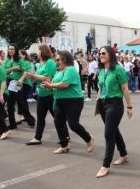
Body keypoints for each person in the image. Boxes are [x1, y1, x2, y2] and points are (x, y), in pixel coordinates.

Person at [42, 50, 94, 154]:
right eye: (56, 60)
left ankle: (89, 139)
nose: (56, 62)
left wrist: (50, 85)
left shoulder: (70, 69)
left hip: (73, 101)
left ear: (65, 59)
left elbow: (64, 84)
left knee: (73, 124)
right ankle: (64, 145)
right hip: (60, 101)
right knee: (58, 122)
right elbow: (55, 86)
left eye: (58, 60)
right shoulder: (58, 72)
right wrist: (48, 86)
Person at [95, 46, 133, 178]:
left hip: (115, 104)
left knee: (108, 134)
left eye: (103, 53)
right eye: (99, 53)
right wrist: (98, 98)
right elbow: (100, 86)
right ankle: (123, 154)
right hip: (103, 104)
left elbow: (125, 89)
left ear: (110, 54)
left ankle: (105, 165)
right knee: (114, 130)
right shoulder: (101, 69)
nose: (100, 55)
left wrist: (129, 106)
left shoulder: (118, 69)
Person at [25, 45, 66, 145]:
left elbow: (48, 78)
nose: (36, 53)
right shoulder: (40, 64)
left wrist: (34, 76)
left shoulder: (50, 62)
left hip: (50, 94)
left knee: (57, 117)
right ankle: (37, 138)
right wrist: (32, 77)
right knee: (40, 117)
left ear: (42, 51)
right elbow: (40, 78)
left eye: (38, 50)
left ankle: (65, 136)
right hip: (41, 94)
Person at [4, 44, 35, 129]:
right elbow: (4, 71)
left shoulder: (20, 60)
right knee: (10, 103)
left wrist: (21, 79)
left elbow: (25, 71)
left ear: (16, 50)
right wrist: (14, 68)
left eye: (12, 49)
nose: (10, 50)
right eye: (9, 49)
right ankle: (12, 124)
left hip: (17, 82)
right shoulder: (7, 60)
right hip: (9, 82)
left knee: (20, 101)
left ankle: (31, 120)